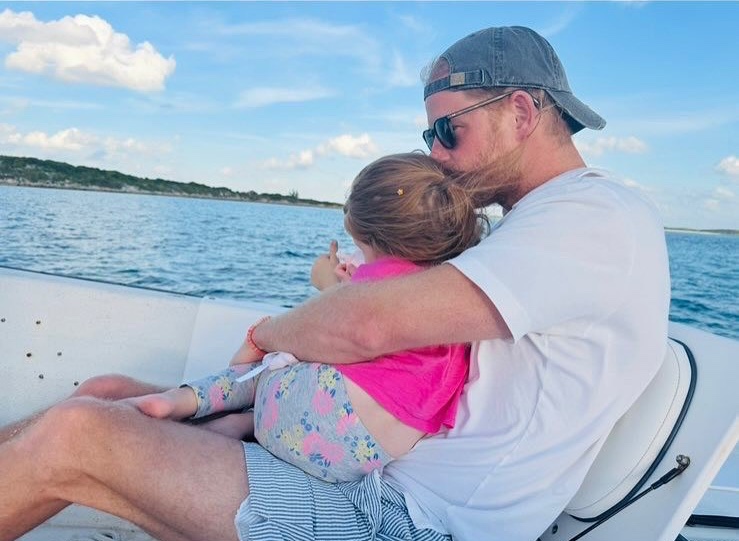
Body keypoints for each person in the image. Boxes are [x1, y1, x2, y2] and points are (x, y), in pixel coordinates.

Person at [0, 25, 669, 541]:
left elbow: (367, 324)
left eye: (448, 130)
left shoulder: (593, 218)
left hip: (405, 520)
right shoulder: (532, 226)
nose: (435, 154)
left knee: (79, 434)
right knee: (105, 394)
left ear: (521, 112)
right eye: (428, 134)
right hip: (361, 470)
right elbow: (384, 313)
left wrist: (267, 334)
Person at [124, 152, 486, 483]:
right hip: (358, 456)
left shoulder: (378, 290)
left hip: (305, 413)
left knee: (278, 358)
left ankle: (183, 401)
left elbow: (337, 326)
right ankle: (241, 423)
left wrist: (328, 281)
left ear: (359, 226)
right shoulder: (448, 294)